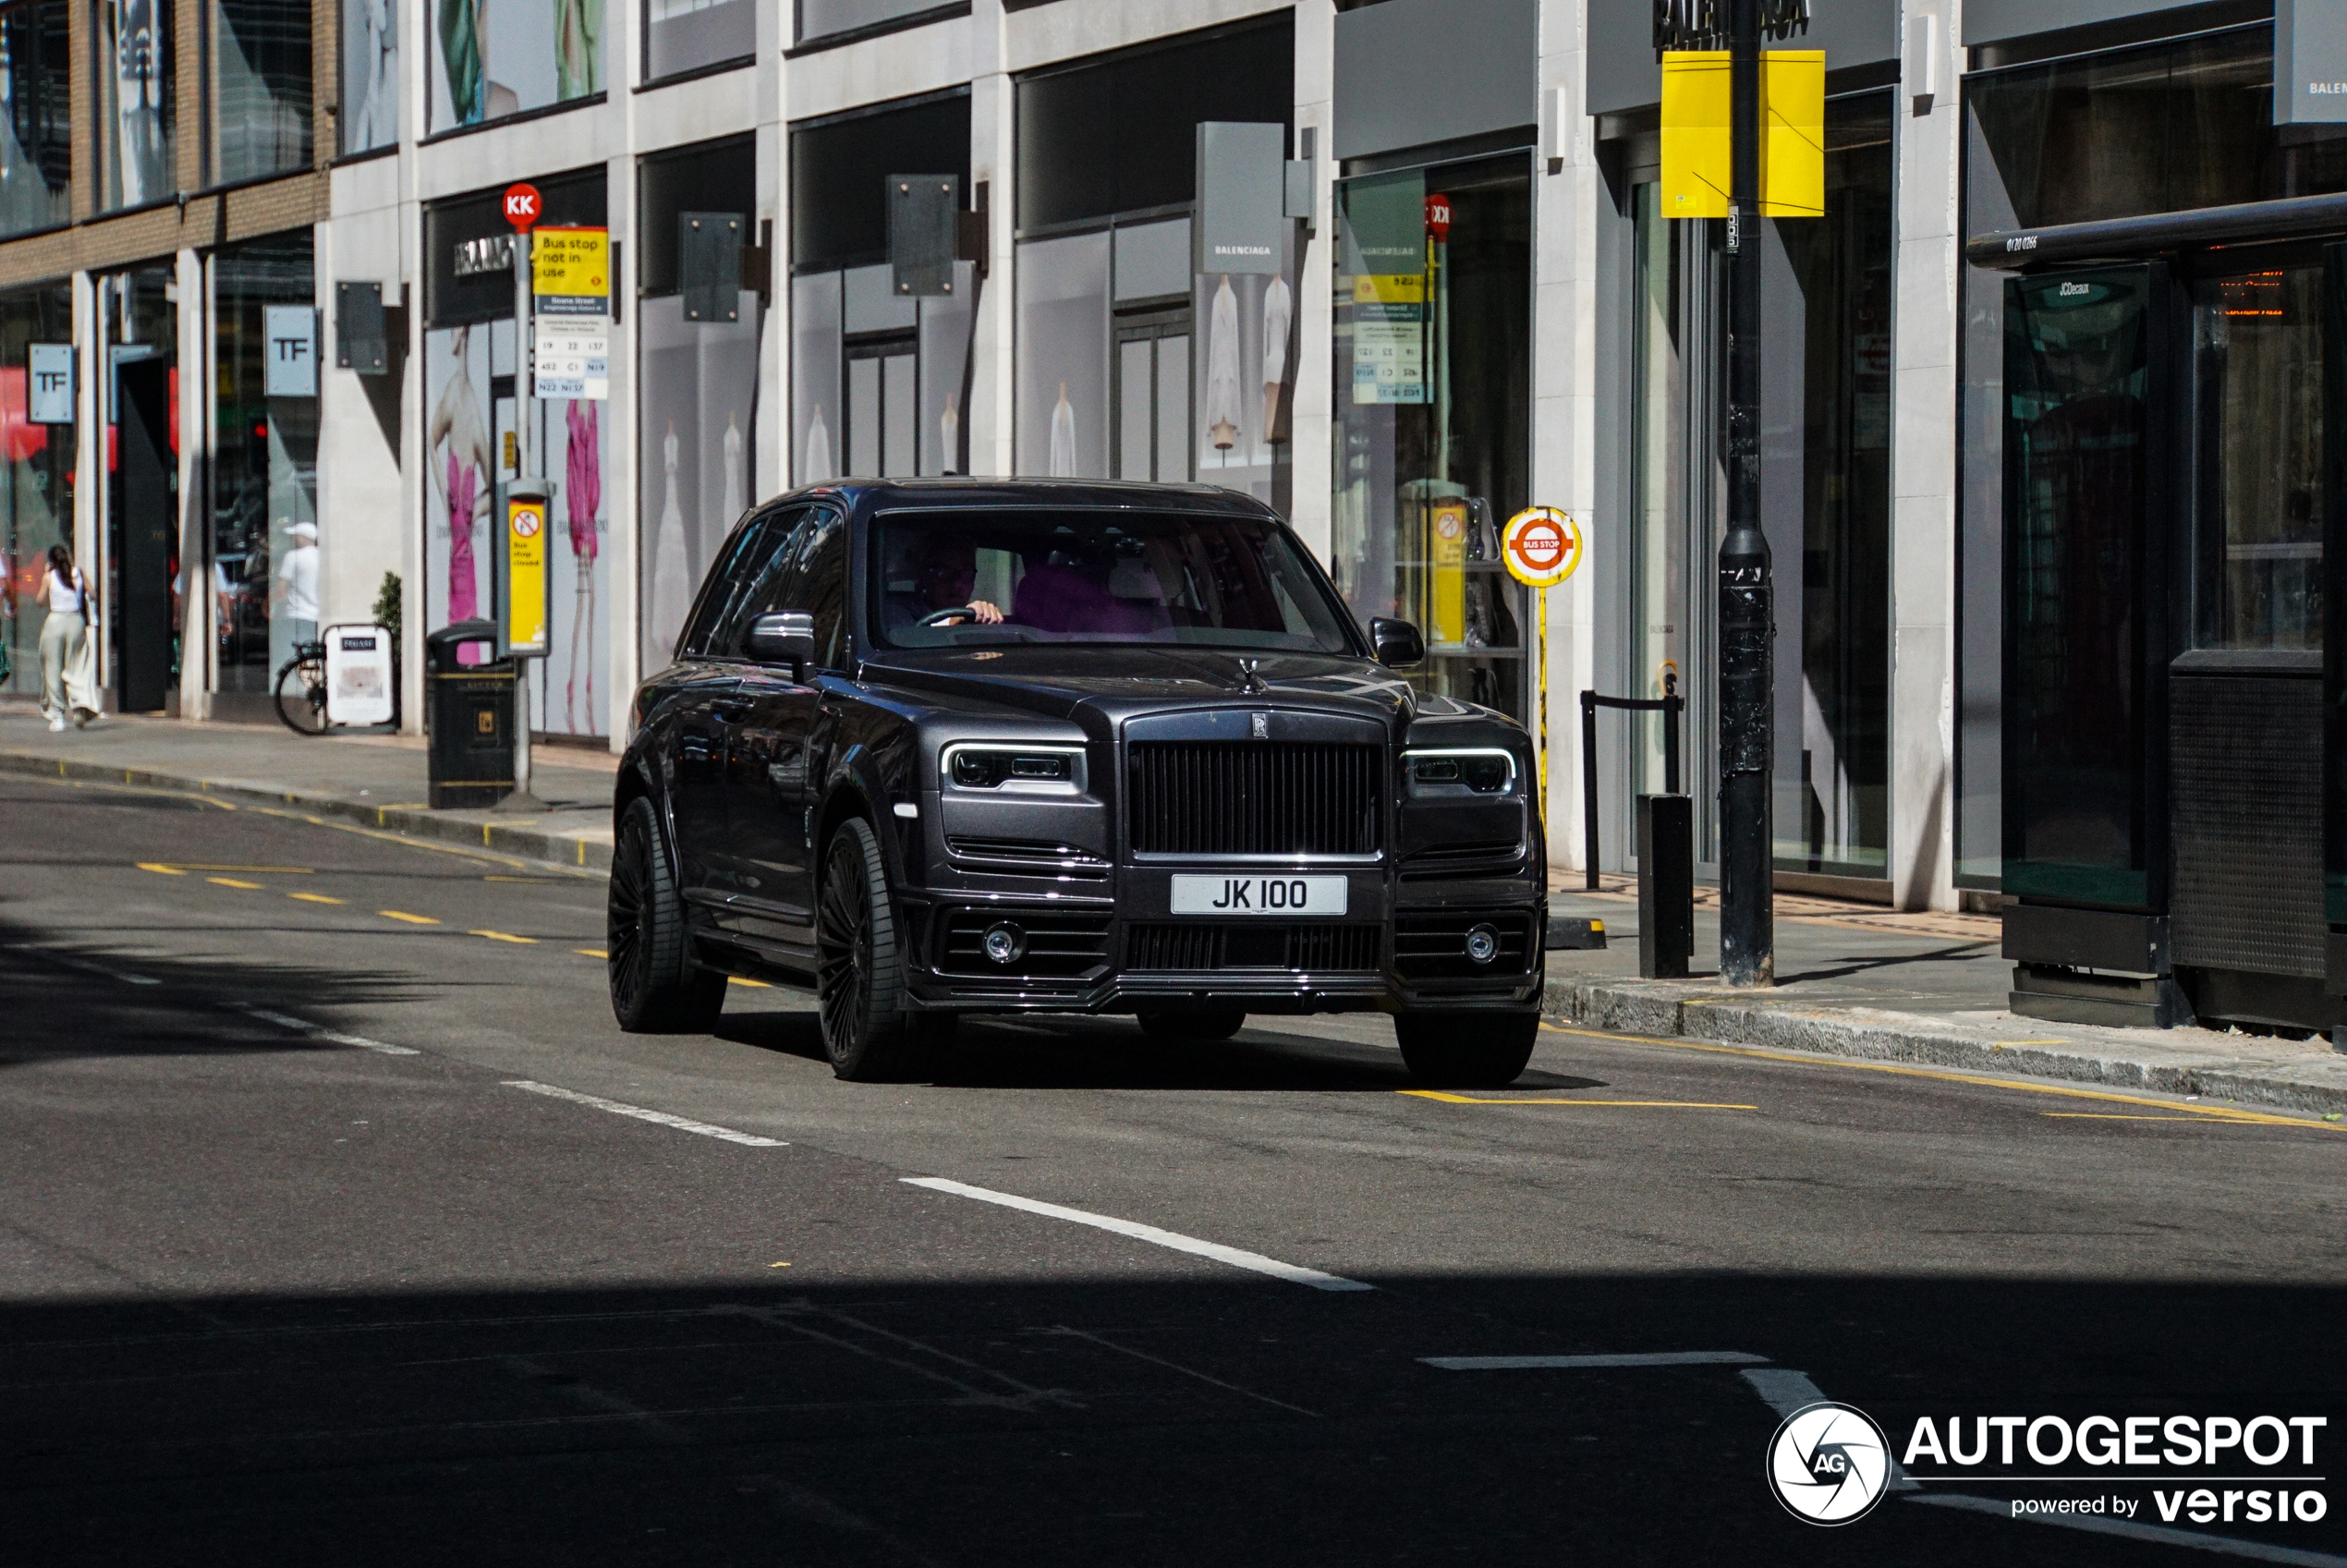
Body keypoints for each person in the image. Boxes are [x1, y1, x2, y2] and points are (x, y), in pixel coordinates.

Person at [34, 543, 96, 731]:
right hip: (76, 621)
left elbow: (40, 601)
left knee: (52, 667)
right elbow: (93, 594)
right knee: (77, 667)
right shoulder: (79, 573)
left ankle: (57, 715)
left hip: (55, 621)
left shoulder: (49, 577)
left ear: (51, 561)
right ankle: (79, 707)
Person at [885, 535, 1003, 633]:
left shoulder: (975, 620)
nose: (957, 584)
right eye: (945, 573)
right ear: (924, 577)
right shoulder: (896, 612)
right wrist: (951, 623)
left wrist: (988, 619)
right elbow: (906, 645)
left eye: (966, 573)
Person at [271, 520, 321, 646]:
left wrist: (272, 608)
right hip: (318, 616)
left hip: (296, 614)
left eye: (296, 536)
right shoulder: (323, 556)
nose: (293, 539)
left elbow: (281, 588)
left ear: (303, 538)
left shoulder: (292, 556)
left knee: (295, 654)